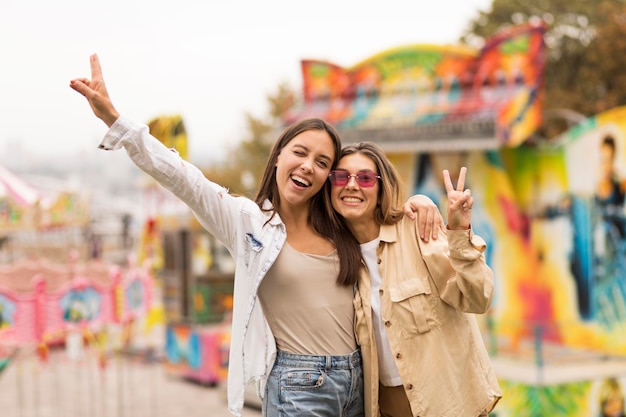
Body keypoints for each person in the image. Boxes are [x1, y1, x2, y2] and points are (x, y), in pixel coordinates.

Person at [69, 54, 443, 417]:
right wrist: (116, 120)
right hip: (297, 387)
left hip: (360, 383)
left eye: (323, 163)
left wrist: (421, 201)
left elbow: (380, 213)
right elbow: (184, 178)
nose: (308, 166)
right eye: (300, 152)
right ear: (278, 156)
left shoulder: (338, 225)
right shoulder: (248, 222)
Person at [329, 142, 502, 417]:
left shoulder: (417, 229)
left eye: (364, 177)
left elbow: (477, 298)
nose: (351, 185)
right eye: (341, 176)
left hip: (449, 404)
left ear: (381, 186)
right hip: (386, 407)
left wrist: (458, 230)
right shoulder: (332, 256)